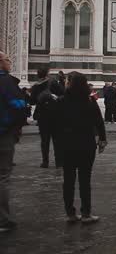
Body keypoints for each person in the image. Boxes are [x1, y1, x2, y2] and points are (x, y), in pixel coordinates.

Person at [55, 72, 107, 224]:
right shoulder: (89, 100)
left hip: (67, 145)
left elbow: (56, 126)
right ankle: (86, 214)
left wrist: (58, 146)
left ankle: (70, 213)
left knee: (68, 180)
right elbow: (99, 122)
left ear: (70, 83)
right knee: (85, 179)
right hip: (86, 144)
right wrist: (102, 140)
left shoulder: (61, 101)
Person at [0, 51, 27, 232]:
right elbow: (17, 105)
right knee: (2, 176)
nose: (10, 62)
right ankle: (3, 219)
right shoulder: (6, 81)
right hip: (3, 133)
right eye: (7, 59)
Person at [30, 67, 65, 168]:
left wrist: (39, 99)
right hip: (55, 115)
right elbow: (63, 93)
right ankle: (59, 161)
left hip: (42, 116)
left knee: (44, 140)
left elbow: (32, 101)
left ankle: (45, 162)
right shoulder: (53, 83)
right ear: (47, 74)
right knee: (57, 139)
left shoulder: (35, 86)